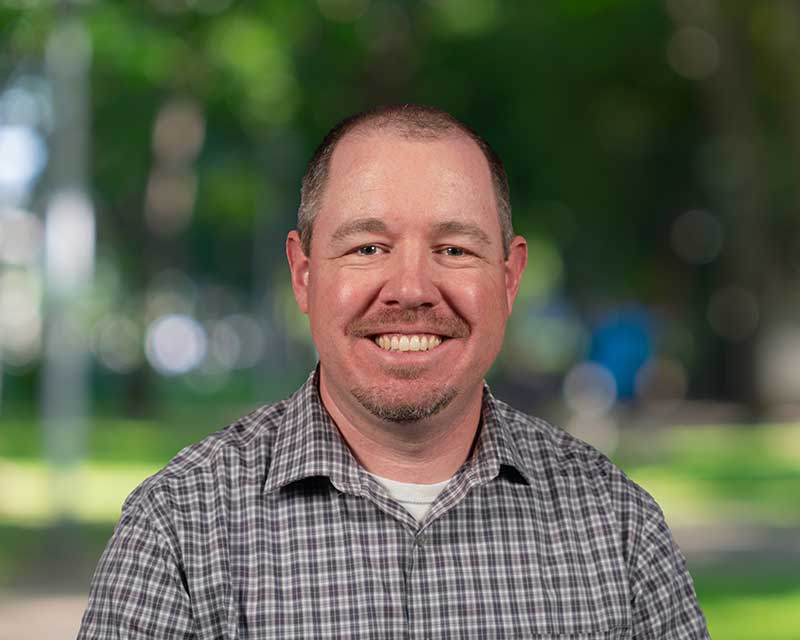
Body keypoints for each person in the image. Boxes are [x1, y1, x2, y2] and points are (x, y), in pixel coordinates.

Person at [78, 104, 709, 639]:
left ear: (510, 278)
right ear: (304, 274)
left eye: (454, 249)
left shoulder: (618, 525)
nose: (411, 288)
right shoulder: (180, 528)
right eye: (368, 248)